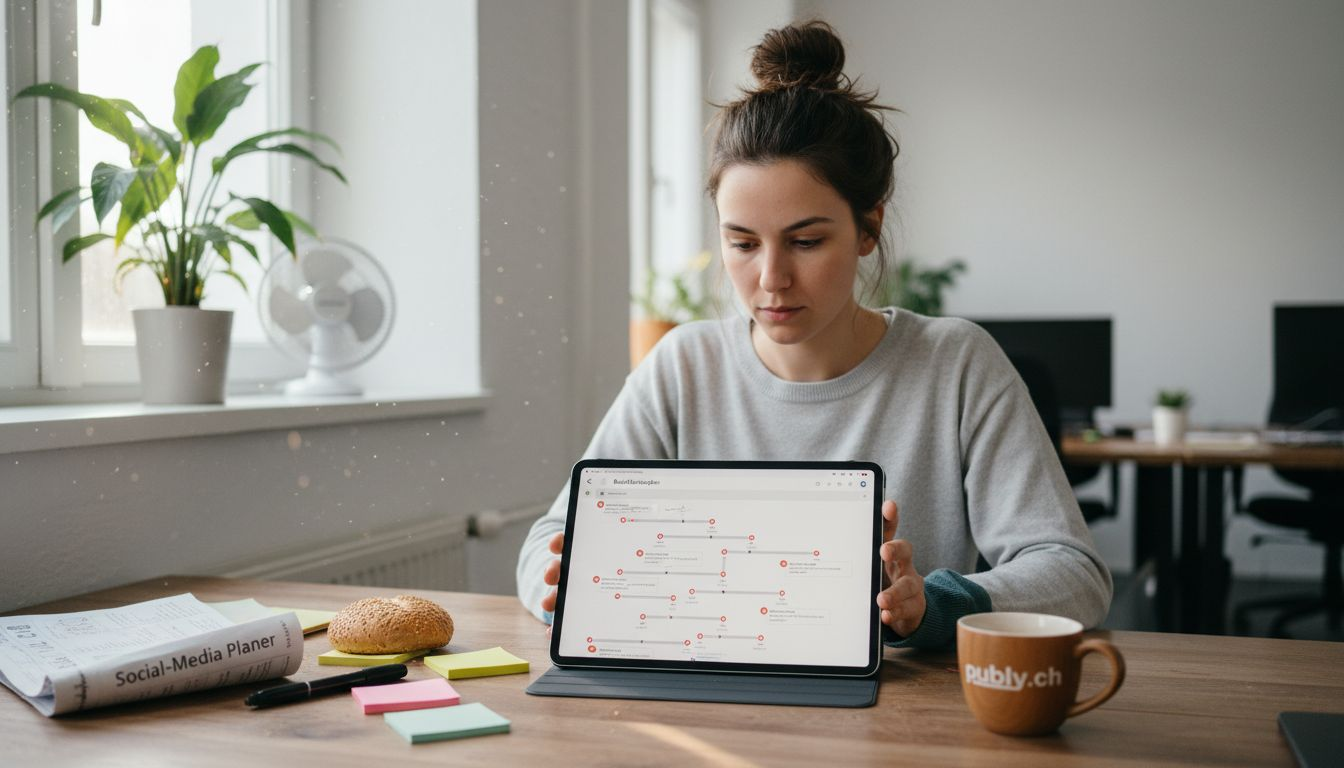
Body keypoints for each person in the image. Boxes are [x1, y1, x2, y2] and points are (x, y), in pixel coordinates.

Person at [516, 20, 1111, 648]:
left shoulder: (955, 364)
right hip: (709, 705)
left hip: (898, 725)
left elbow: (1074, 574)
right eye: (741, 243)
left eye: (806, 241)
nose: (771, 279)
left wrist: (933, 604)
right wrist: (561, 587)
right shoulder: (682, 366)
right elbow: (545, 545)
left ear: (868, 228)